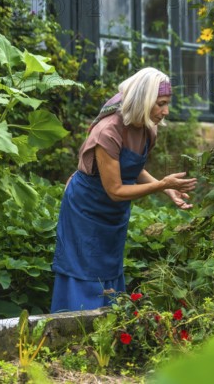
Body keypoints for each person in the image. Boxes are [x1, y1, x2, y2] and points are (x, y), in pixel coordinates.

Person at [50, 67, 197, 312]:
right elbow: (115, 189)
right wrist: (161, 184)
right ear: (144, 100)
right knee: (83, 272)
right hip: (85, 210)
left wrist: (165, 189)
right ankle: (75, 334)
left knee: (109, 269)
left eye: (167, 103)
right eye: (160, 104)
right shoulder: (108, 131)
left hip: (114, 214)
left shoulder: (148, 128)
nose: (166, 111)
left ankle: (110, 333)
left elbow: (132, 165)